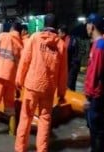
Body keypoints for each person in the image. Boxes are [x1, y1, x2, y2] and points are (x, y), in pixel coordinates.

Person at [14, 13, 68, 152]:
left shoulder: (35, 38)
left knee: (25, 118)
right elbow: (63, 73)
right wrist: (62, 93)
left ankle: (20, 148)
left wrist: (18, 81)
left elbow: (24, 61)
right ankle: (42, 150)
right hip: (49, 89)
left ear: (44, 24)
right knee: (44, 120)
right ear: (56, 26)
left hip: (32, 85)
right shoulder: (61, 45)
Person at [84, 13, 104, 152]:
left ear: (92, 26)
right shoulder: (97, 44)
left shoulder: (100, 45)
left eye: (87, 24)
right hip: (94, 94)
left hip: (96, 95)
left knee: (97, 128)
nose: (86, 27)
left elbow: (96, 72)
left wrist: (88, 96)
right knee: (93, 126)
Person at [58, 24, 81, 91]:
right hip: (71, 65)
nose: (58, 34)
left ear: (63, 33)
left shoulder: (69, 41)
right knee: (70, 85)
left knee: (69, 86)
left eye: (59, 33)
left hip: (72, 66)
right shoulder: (70, 39)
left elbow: (65, 53)